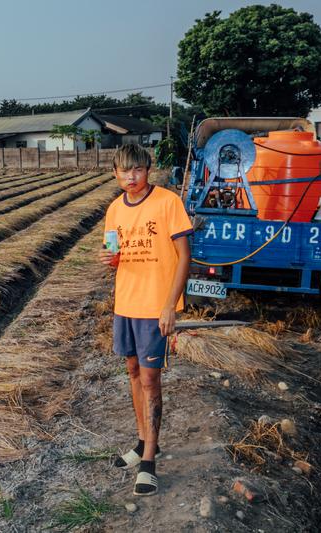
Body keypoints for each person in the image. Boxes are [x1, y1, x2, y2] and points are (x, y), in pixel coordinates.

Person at [99, 143, 192, 496]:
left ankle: (150, 460)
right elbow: (115, 254)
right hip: (126, 302)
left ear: (148, 170)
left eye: (137, 170)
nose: (131, 177)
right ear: (115, 173)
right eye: (125, 171)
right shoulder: (113, 209)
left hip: (156, 306)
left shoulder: (168, 202)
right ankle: (142, 442)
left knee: (151, 379)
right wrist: (112, 261)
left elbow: (184, 256)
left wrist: (170, 305)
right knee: (134, 372)